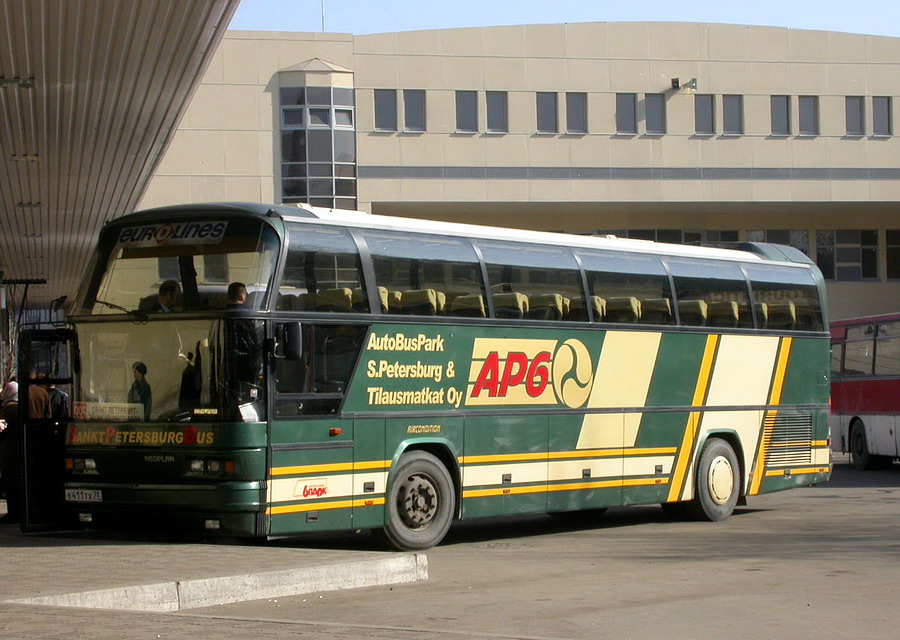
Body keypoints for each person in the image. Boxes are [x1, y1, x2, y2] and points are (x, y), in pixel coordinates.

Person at [0, 392, 22, 523]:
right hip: (20, 449)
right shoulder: (21, 406)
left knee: (11, 482)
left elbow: (2, 427)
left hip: (9, 451)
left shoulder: (8, 409)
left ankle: (14, 513)